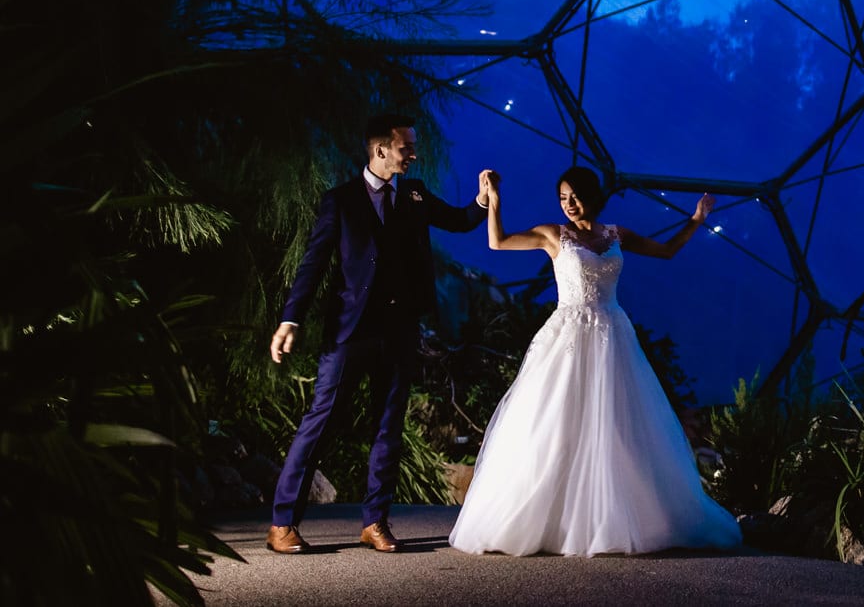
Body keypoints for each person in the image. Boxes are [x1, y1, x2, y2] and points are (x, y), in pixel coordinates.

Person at [448, 166, 742, 556]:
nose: (568, 204)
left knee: (615, 424)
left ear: (592, 195)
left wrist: (697, 219)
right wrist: (495, 201)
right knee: (557, 421)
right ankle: (551, 519)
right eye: (562, 198)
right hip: (568, 336)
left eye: (574, 196)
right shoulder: (553, 234)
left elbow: (667, 251)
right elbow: (498, 242)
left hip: (613, 336)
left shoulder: (615, 235)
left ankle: (615, 517)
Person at [265, 114, 489, 554]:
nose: (413, 155)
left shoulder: (415, 194)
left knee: (388, 429)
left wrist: (481, 201)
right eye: (407, 147)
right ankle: (282, 523)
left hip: (399, 332)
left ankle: (375, 522)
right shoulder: (340, 201)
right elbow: (312, 264)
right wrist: (291, 319)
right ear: (380, 149)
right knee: (320, 424)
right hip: (349, 333)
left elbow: (460, 220)